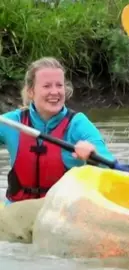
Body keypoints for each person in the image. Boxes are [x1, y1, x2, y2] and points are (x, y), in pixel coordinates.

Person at [0, 57, 115, 205]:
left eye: (59, 85)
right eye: (47, 86)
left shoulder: (78, 124)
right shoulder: (11, 122)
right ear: (31, 91)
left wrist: (93, 156)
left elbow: (110, 167)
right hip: (17, 210)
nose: (55, 92)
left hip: (61, 213)